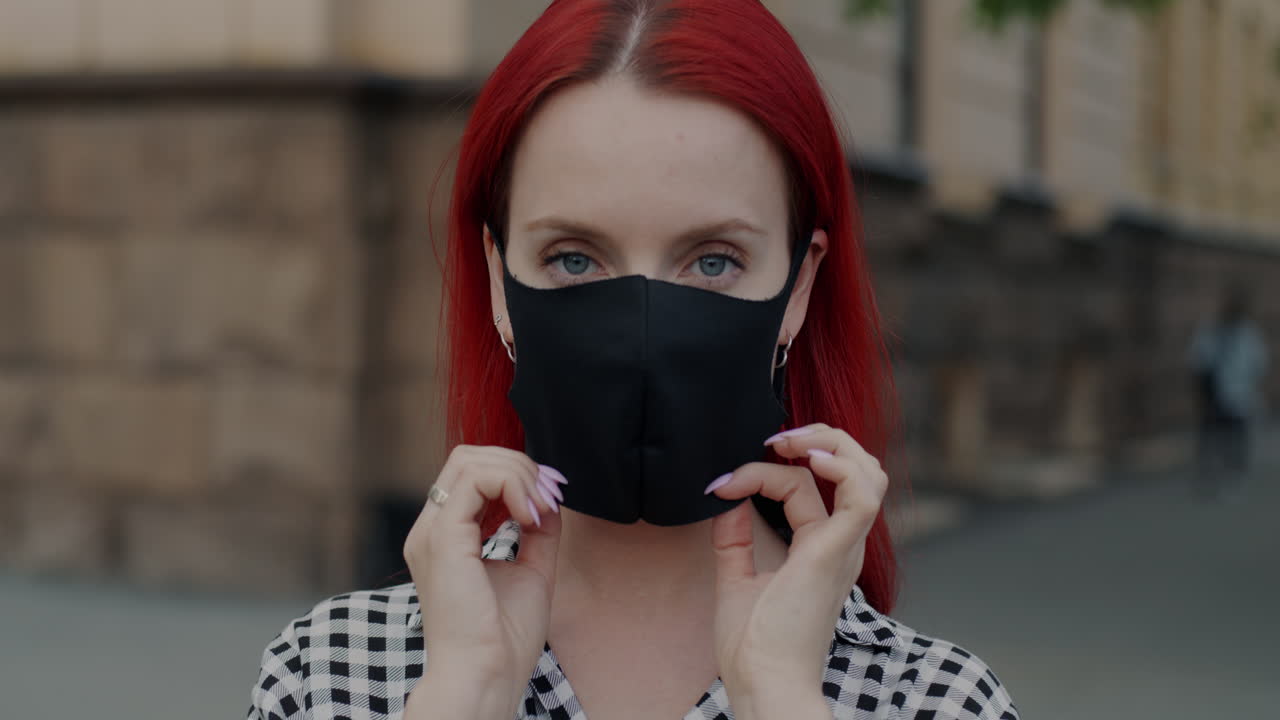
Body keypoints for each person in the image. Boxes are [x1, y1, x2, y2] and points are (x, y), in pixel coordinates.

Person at [248, 1, 1019, 718]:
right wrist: (464, 694)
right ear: (497, 280)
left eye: (713, 261)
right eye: (575, 259)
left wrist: (780, 696)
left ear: (798, 286)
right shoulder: (330, 675)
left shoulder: (936, 702)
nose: (643, 324)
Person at [1189, 288, 1269, 498]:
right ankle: (1210, 475)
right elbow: (1199, 361)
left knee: (1235, 436)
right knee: (1213, 436)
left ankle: (1233, 474)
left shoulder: (1248, 334)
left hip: (1238, 394)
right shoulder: (1211, 331)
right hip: (1214, 394)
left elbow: (1259, 364)